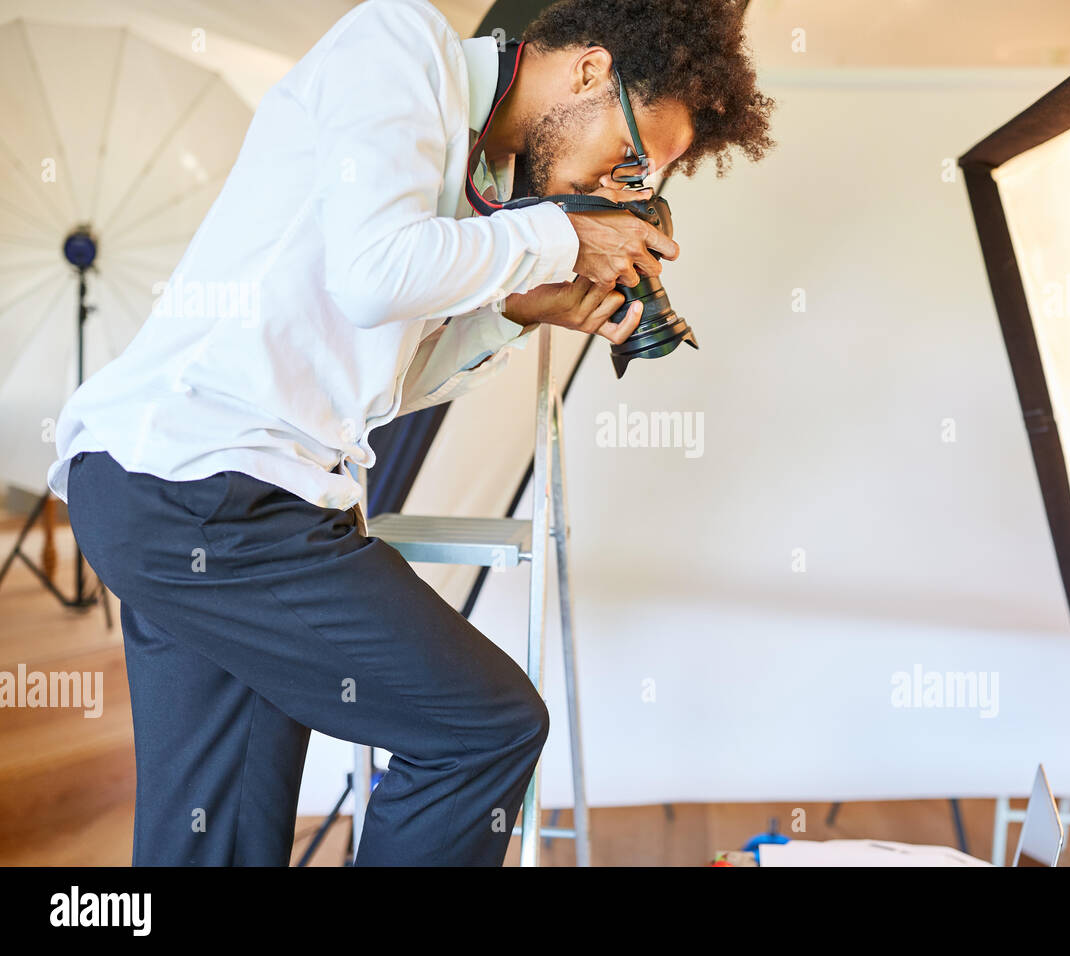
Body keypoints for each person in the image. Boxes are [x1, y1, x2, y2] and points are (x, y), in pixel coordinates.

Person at [46, 0, 773, 866]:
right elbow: (371, 273)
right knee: (485, 729)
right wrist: (561, 236)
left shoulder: (478, 194)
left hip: (194, 497)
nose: (613, 190)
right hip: (207, 485)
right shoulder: (400, 45)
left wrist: (514, 312)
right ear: (589, 71)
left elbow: (382, 381)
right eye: (626, 161)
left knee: (220, 840)